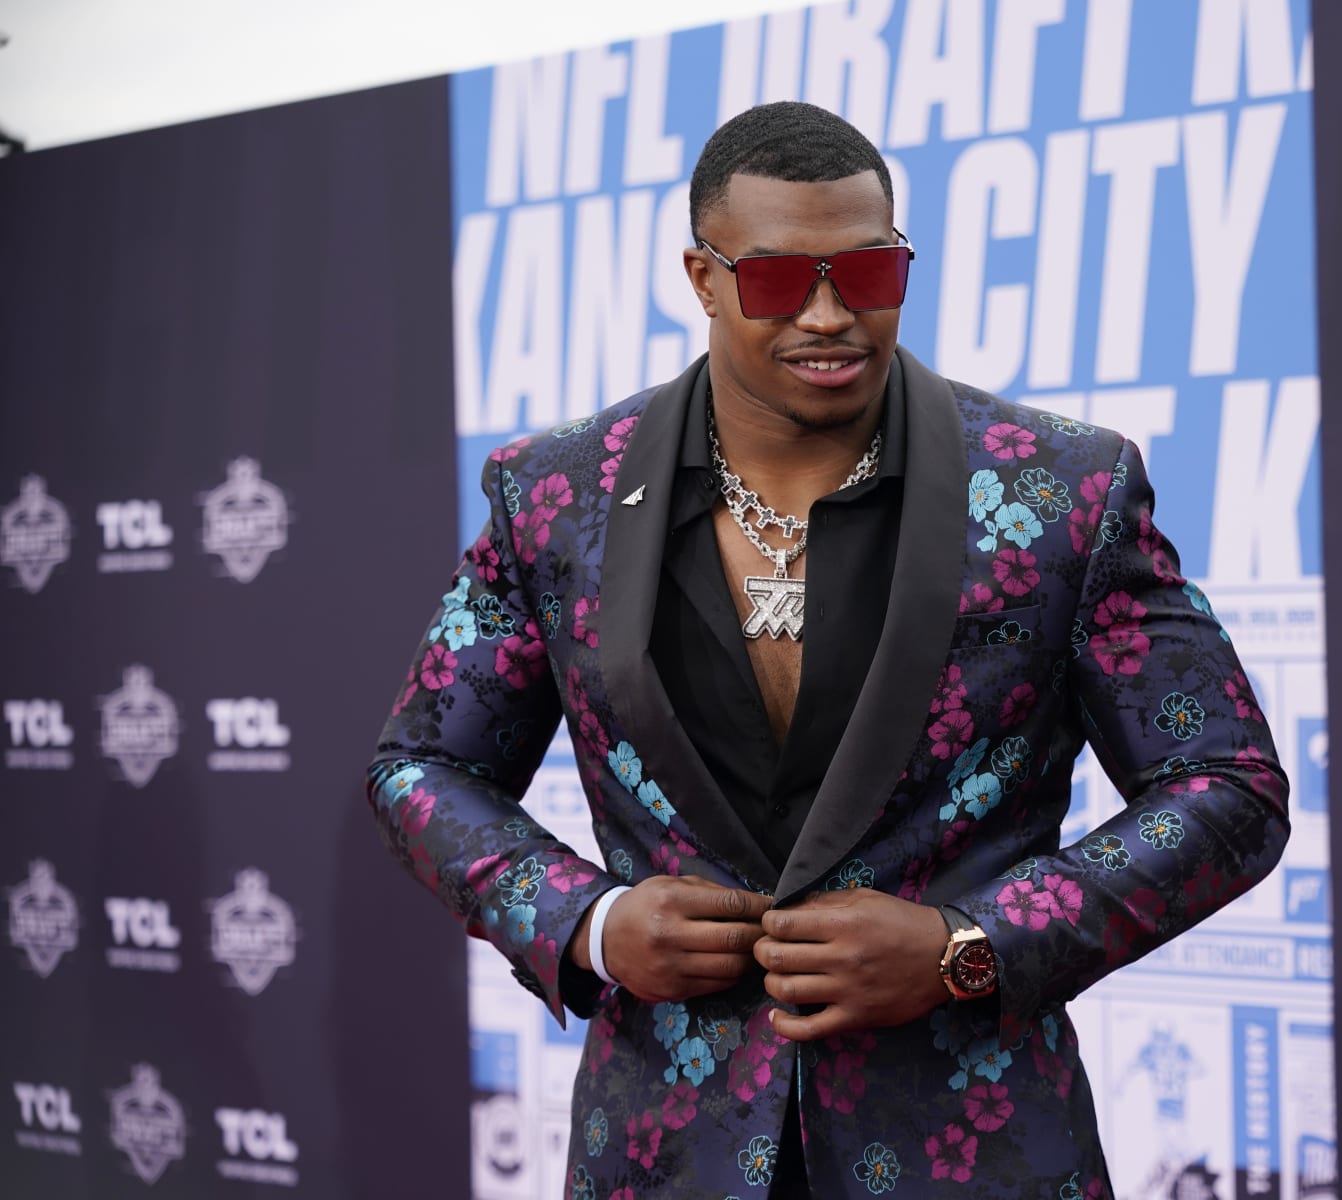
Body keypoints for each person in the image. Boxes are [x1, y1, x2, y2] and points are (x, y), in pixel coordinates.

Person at [368, 100, 1289, 1199]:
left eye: (867, 273)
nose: (828, 315)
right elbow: (422, 767)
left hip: (977, 1152)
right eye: (774, 281)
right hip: (666, 1153)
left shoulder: (1062, 491)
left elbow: (1227, 786)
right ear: (702, 279)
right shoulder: (556, 496)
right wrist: (591, 924)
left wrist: (969, 945)